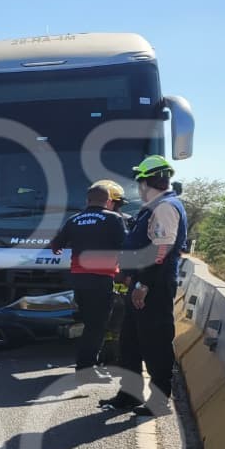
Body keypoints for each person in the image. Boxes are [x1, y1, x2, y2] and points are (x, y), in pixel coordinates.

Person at [102, 156, 188, 414]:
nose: (139, 186)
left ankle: (159, 401)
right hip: (141, 283)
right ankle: (129, 395)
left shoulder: (164, 207)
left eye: (140, 180)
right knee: (130, 343)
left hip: (154, 287)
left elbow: (160, 250)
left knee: (155, 345)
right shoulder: (154, 206)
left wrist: (143, 284)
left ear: (148, 180)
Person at [48, 180, 129, 370]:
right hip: (101, 279)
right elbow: (126, 246)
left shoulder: (74, 219)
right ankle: (85, 366)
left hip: (78, 280)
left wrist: (59, 249)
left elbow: (56, 245)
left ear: (87, 200)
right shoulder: (113, 219)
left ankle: (87, 361)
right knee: (97, 326)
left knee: (90, 322)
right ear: (108, 200)